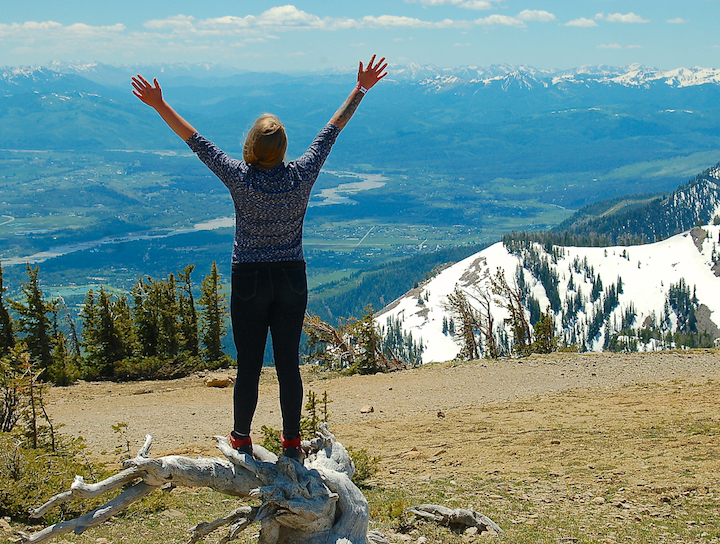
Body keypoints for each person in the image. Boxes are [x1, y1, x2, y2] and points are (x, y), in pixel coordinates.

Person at [132, 55, 388, 461]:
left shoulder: (239, 177)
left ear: (252, 146)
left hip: (249, 278)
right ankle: (291, 443)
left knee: (249, 363)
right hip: (291, 278)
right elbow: (331, 131)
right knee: (288, 363)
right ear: (283, 149)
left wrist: (160, 104)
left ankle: (241, 439)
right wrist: (360, 89)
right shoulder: (302, 175)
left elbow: (197, 142)